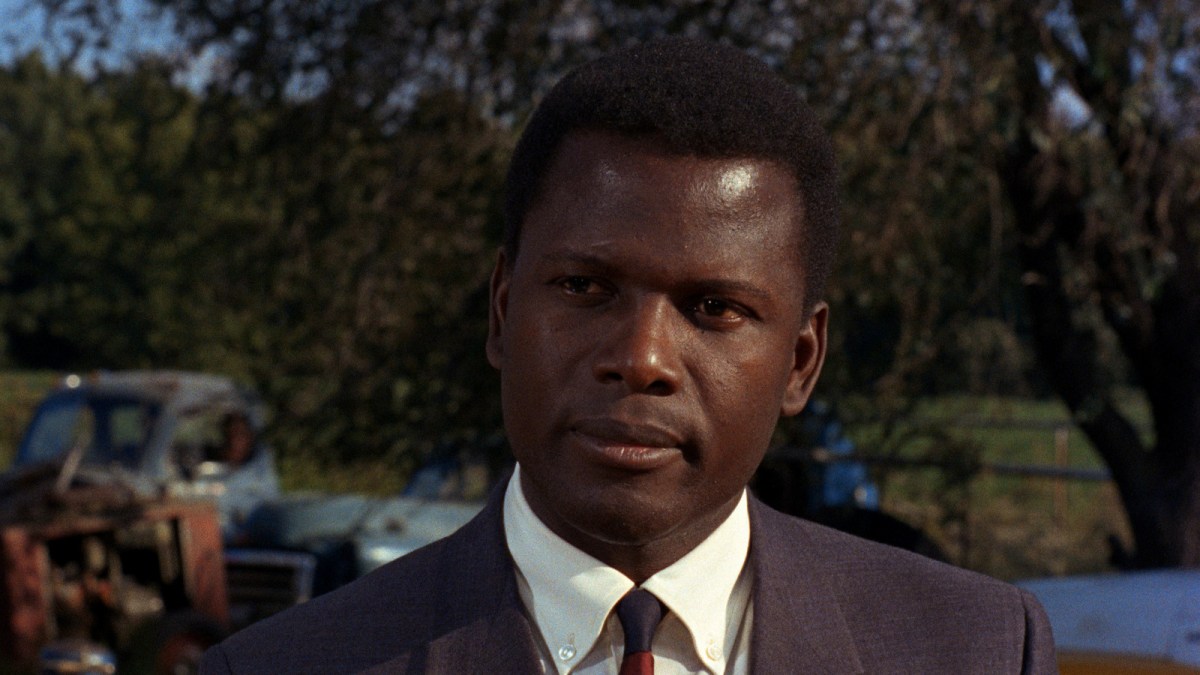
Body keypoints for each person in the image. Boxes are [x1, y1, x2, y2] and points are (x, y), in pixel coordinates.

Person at [201, 38, 1055, 674]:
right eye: (584, 287)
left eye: (715, 308)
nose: (641, 357)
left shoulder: (978, 650)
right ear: (502, 310)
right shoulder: (283, 665)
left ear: (801, 362)